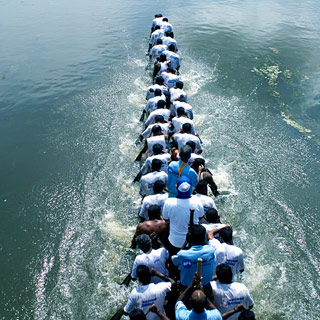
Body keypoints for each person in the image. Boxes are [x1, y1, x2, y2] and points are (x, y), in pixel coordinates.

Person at [162, 176, 204, 254]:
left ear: (177, 187)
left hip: (174, 242)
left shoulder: (169, 202)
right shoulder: (197, 200)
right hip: (194, 242)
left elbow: (166, 219)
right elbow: (201, 217)